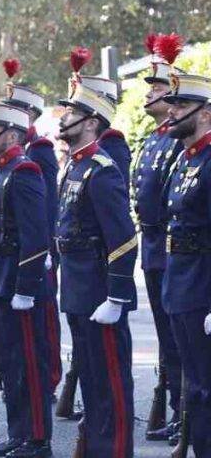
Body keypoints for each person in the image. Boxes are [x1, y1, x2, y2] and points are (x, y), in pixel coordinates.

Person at [56, 82, 137, 458]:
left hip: (98, 289)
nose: (64, 118)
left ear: (90, 122)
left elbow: (122, 237)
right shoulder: (75, 166)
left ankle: (115, 451)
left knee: (110, 382)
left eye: (71, 113)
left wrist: (117, 296)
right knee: (90, 378)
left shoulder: (101, 170)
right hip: (76, 287)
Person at [0, 101, 53, 458]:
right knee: (10, 362)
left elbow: (36, 235)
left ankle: (37, 438)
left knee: (27, 362)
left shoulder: (25, 171)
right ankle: (18, 433)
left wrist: (26, 288)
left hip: (15, 280)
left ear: (11, 134)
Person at [132, 53, 184, 441]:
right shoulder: (153, 139)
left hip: (173, 247)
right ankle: (174, 407)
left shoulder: (181, 143)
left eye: (158, 89)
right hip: (153, 246)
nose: (150, 95)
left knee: (181, 335)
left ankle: (186, 412)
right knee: (167, 336)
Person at [2, 62, 62, 397]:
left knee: (45, 317)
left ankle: (49, 376)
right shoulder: (18, 152)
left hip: (40, 245)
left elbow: (47, 202)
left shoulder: (39, 150)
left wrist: (47, 249)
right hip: (18, 246)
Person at [161, 71, 211, 457]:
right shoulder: (185, 159)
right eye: (173, 103)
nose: (172, 112)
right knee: (193, 382)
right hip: (180, 282)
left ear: (206, 114)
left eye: (181, 106)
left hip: (202, 285)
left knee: (206, 384)